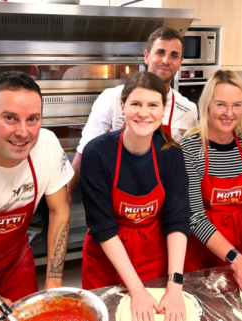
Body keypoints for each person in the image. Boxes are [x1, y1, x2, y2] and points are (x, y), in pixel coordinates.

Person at [81, 71, 191, 321]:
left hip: (153, 255)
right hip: (105, 260)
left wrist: (175, 286)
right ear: (122, 106)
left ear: (164, 109)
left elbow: (177, 220)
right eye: (135, 104)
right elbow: (103, 226)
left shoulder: (171, 155)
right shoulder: (97, 153)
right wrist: (136, 289)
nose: (144, 113)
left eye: (153, 105)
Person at [0, 71, 74, 321]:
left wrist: (54, 283)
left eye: (32, 119)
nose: (23, 132)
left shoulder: (47, 145)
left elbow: (59, 210)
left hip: (16, 266)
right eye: (10, 118)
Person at [68, 27, 198, 197]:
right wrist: (67, 195)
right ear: (146, 56)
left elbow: (187, 164)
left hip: (162, 199)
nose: (166, 60)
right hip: (114, 196)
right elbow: (85, 150)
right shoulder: (112, 98)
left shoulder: (188, 109)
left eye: (174, 55)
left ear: (180, 62)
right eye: (160, 52)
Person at [180, 70, 242, 306]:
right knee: (203, 306)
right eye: (221, 105)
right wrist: (237, 261)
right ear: (207, 105)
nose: (229, 113)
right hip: (201, 247)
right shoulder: (190, 149)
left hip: (240, 239)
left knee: (238, 306)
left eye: (237, 105)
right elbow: (195, 217)